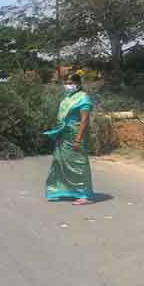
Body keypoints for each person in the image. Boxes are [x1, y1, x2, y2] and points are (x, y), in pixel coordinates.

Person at [44, 73, 95, 204]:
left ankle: (85, 195)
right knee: (61, 162)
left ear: (78, 84)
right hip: (64, 135)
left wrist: (78, 139)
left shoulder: (83, 98)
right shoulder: (68, 97)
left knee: (78, 164)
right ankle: (67, 190)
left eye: (70, 83)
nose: (68, 85)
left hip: (76, 134)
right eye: (66, 82)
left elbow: (84, 121)